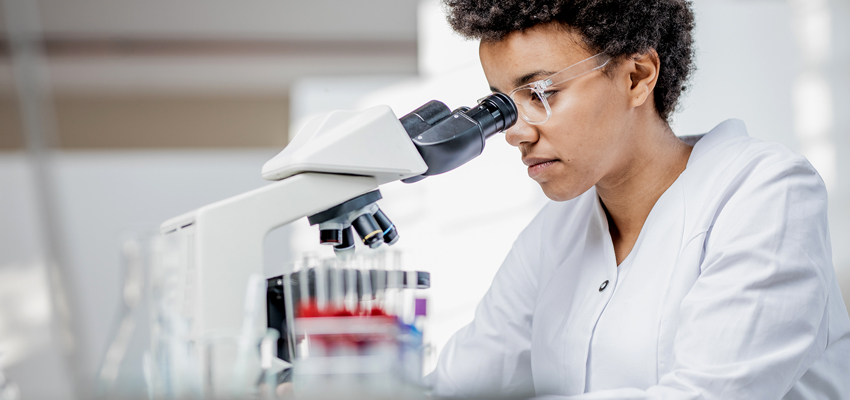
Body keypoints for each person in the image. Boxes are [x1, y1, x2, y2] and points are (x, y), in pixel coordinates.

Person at [426, 0, 850, 399]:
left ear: (637, 76)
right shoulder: (553, 236)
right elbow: (460, 383)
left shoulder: (765, 193)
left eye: (540, 93)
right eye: (500, 105)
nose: (515, 133)